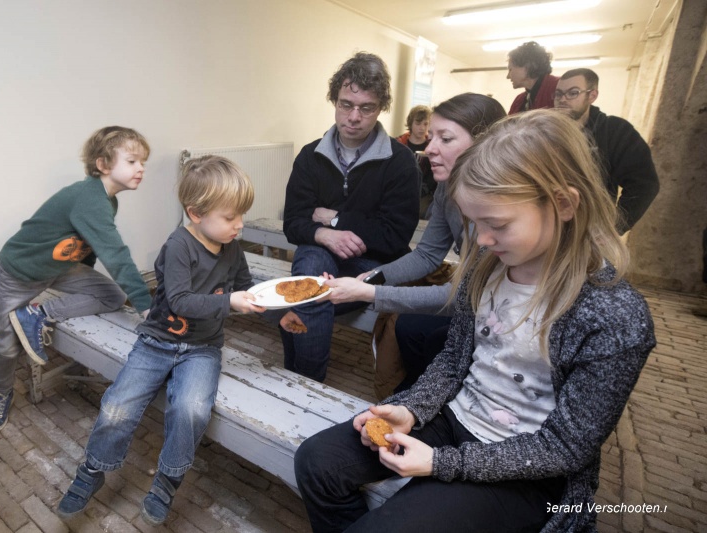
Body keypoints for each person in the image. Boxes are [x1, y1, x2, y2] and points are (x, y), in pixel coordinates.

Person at [295, 110, 656, 532]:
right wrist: (411, 409)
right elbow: (454, 360)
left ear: (563, 204)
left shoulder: (614, 318)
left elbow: (564, 449)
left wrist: (440, 463)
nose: (481, 240)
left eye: (496, 224)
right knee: (317, 462)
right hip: (454, 419)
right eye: (475, 223)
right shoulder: (488, 268)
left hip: (527, 470)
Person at [55, 155, 262, 525]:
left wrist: (284, 309)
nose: (239, 226)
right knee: (118, 406)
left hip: (202, 349)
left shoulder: (233, 249)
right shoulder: (178, 246)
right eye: (231, 217)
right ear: (196, 213)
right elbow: (181, 301)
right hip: (157, 341)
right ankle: (93, 469)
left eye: (241, 216)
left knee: (191, 409)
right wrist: (228, 301)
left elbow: (248, 290)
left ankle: (168, 479)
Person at [326, 93, 506, 396]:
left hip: (500, 314)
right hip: (476, 301)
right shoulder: (447, 189)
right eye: (431, 137)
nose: (428, 149)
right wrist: (373, 277)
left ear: (485, 144)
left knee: (427, 336)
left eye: (445, 139)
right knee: (408, 328)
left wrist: (371, 292)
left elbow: (464, 295)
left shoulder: (502, 209)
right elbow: (427, 255)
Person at [0, 126, 154, 435]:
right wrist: (146, 307)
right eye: (132, 161)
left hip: (58, 268)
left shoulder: (107, 199)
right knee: (8, 346)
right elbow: (116, 256)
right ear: (103, 165)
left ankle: (38, 313)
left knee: (112, 296)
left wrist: (84, 275)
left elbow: (88, 245)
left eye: (143, 162)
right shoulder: (88, 198)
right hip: (19, 274)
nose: (141, 168)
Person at [278, 52, 420, 383]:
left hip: (377, 266)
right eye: (345, 104)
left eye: (366, 108)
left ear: (380, 108)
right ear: (335, 101)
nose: (353, 116)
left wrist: (336, 220)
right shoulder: (311, 156)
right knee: (311, 263)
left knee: (304, 296)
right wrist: (324, 234)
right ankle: (308, 384)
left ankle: (300, 383)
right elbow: (293, 223)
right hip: (322, 256)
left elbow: (393, 238)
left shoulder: (400, 162)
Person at [554, 68, 660, 234]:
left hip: (590, 234)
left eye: (573, 93)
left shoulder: (615, 131)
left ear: (592, 96)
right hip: (551, 229)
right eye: (558, 94)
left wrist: (613, 227)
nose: (563, 99)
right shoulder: (547, 132)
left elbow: (644, 184)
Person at [396, 105, 435, 219]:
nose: (422, 128)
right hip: (399, 190)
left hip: (423, 194)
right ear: (411, 123)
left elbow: (433, 175)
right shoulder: (398, 144)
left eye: (425, 124)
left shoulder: (432, 146)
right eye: (418, 124)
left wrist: (423, 190)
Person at [507, 41, 558, 114]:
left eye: (510, 69)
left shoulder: (558, 88)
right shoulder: (519, 100)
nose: (508, 76)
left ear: (527, 66)